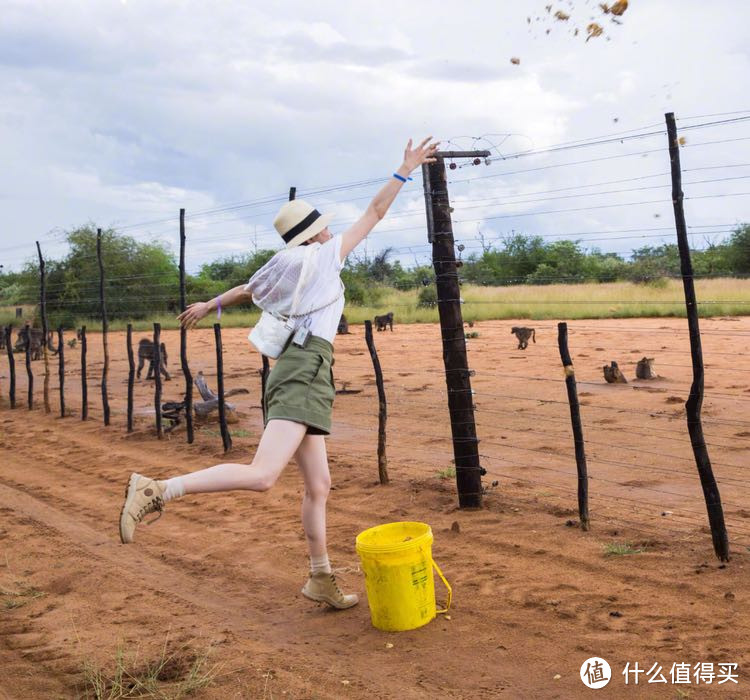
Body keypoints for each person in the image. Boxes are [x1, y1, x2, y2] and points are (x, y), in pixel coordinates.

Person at [118, 137, 439, 609]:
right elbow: (374, 213)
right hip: (304, 369)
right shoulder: (322, 258)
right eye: (325, 230)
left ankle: (320, 577)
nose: (332, 234)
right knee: (264, 474)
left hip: (304, 368)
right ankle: (159, 489)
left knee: (319, 485)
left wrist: (211, 303)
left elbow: (248, 289)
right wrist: (405, 170)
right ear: (314, 235)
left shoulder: (288, 265)